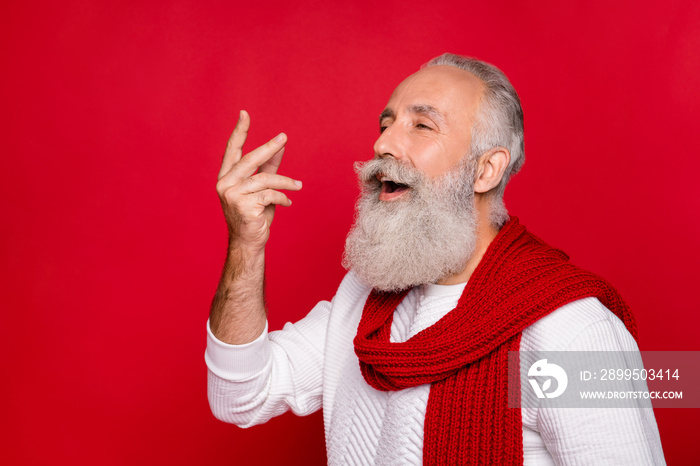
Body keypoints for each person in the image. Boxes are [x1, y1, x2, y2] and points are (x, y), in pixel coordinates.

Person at [205, 53, 665, 465]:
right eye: (386, 123)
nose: (384, 144)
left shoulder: (574, 332)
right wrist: (246, 244)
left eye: (421, 126)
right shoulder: (362, 299)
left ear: (486, 170)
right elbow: (239, 395)